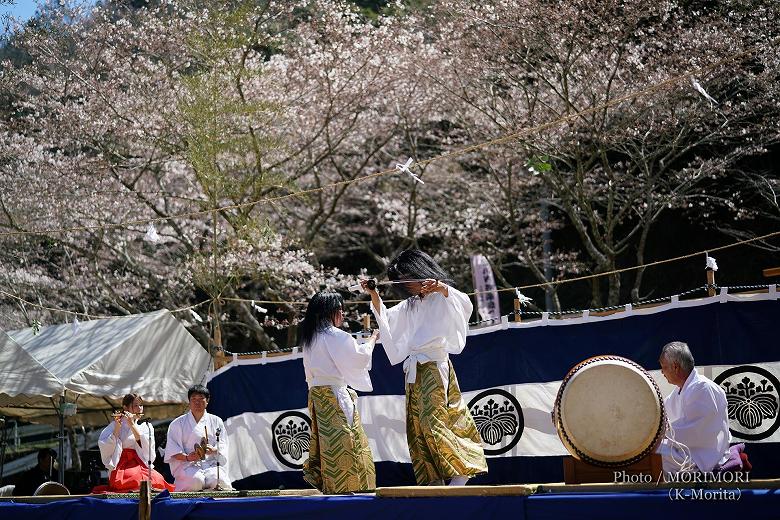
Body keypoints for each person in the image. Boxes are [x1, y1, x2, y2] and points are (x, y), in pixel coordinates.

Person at [363, 249, 487, 486]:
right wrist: (374, 293)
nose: (408, 287)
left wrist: (442, 288)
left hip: (434, 365)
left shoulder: (443, 295)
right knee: (417, 425)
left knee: (435, 422)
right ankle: (433, 478)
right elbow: (386, 320)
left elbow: (465, 304)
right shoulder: (410, 304)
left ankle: (462, 471)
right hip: (414, 369)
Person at [300, 292, 378, 494]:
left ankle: (333, 487)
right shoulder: (335, 335)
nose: (342, 314)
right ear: (330, 312)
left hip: (317, 397)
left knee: (327, 447)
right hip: (335, 395)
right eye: (340, 310)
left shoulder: (310, 339)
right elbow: (359, 358)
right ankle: (354, 487)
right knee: (348, 441)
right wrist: (372, 340)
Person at [657, 341, 732, 473]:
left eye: (664, 367)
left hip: (705, 456)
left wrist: (659, 435)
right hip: (692, 450)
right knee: (651, 450)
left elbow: (695, 431)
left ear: (675, 367)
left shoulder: (702, 388)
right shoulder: (683, 389)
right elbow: (662, 412)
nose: (662, 372)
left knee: (655, 454)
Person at [92, 393, 174, 493]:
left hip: (139, 462)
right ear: (125, 408)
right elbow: (105, 444)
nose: (139, 409)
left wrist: (131, 424)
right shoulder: (114, 425)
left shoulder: (145, 426)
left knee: (157, 479)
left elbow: (144, 445)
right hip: (121, 464)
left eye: (141, 405)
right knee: (135, 480)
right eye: (135, 405)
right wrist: (117, 427)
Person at [164, 385, 231, 491]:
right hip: (188, 464)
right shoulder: (177, 423)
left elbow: (223, 444)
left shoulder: (216, 421)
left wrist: (214, 450)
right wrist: (187, 457)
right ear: (189, 402)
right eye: (193, 399)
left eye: (201, 399)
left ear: (207, 401)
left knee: (218, 480)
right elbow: (172, 449)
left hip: (211, 464)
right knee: (196, 480)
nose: (197, 402)